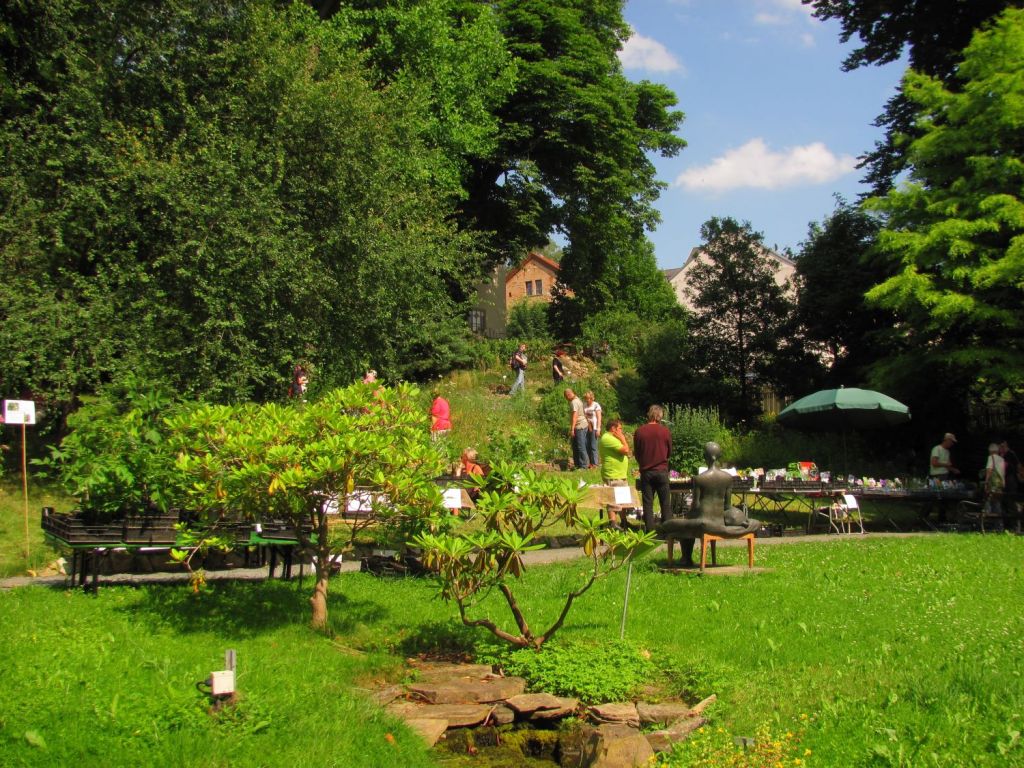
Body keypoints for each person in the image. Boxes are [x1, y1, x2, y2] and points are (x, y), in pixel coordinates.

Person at [633, 404, 672, 532]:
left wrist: (643, 463)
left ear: (649, 415)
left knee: (648, 503)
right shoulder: (665, 431)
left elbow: (637, 453)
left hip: (646, 471)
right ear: (659, 416)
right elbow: (669, 452)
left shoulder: (639, 431)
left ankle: (650, 532)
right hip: (661, 470)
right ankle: (668, 532)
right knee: (665, 503)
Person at [598, 418, 632, 528]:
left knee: (622, 500)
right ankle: (612, 523)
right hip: (613, 474)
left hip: (619, 474)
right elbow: (626, 450)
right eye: (620, 429)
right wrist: (623, 439)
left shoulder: (613, 438)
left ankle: (624, 522)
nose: (621, 431)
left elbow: (627, 451)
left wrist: (622, 440)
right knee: (613, 500)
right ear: (613, 428)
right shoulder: (608, 438)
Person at [564, 388, 589, 470]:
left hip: (579, 426)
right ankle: (577, 465)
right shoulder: (578, 399)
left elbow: (575, 415)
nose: (566, 399)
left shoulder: (574, 402)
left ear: (568, 395)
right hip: (581, 425)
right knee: (576, 446)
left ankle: (583, 466)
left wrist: (572, 429)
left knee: (580, 446)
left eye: (566, 397)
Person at [1000, 440, 1021, 532]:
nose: (1001, 448)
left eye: (1002, 446)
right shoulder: (1001, 455)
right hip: (1004, 480)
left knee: (1011, 502)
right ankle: (1007, 525)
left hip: (1010, 480)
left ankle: (1015, 525)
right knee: (1004, 502)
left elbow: (1017, 465)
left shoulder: (1010, 454)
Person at [984, 442, 1006, 521]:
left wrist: (986, 482)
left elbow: (989, 470)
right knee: (997, 503)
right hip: (1000, 485)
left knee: (988, 502)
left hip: (992, 484)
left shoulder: (991, 457)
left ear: (990, 451)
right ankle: (998, 524)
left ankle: (987, 521)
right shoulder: (1002, 459)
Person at [583, 391, 602, 469]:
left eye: (588, 398)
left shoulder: (596, 405)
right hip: (586, 427)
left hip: (594, 427)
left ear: (592, 398)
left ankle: (595, 464)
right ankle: (589, 463)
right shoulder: (584, 405)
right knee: (586, 445)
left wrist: (598, 428)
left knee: (593, 445)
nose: (587, 400)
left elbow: (599, 418)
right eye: (586, 398)